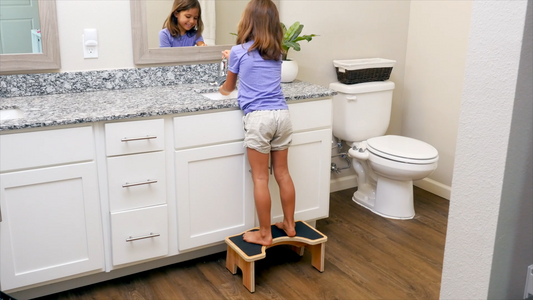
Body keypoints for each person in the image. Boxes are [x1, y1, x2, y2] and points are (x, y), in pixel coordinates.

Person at [219, 0, 296, 246]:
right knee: (282, 173)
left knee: (261, 178)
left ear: (247, 21)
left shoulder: (239, 51)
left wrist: (227, 71)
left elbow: (228, 88)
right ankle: (290, 225)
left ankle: (264, 234)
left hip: (259, 118)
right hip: (282, 115)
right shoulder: (277, 51)